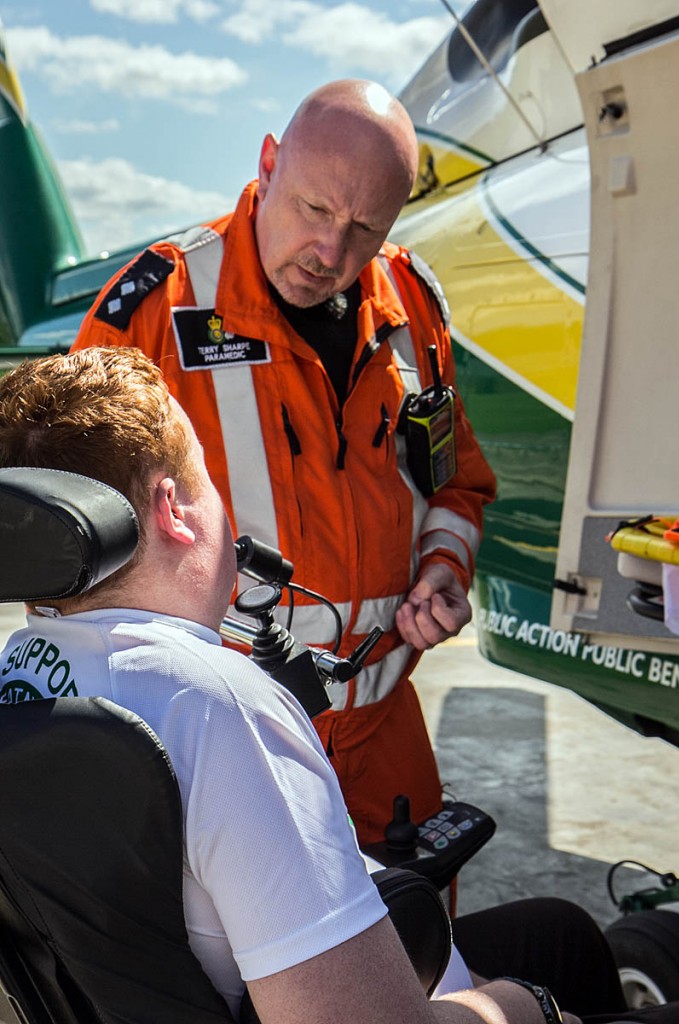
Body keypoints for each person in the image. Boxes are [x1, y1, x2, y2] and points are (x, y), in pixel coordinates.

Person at [0, 346, 573, 1024]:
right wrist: (523, 1005)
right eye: (206, 479)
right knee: (564, 956)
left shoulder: (21, 671)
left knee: (553, 928)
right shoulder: (213, 703)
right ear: (172, 509)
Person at [70, 78, 497, 850]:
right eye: (314, 210)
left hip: (382, 744)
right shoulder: (155, 313)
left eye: (365, 227)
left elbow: (455, 483)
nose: (331, 252)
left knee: (420, 953)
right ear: (268, 165)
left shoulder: (413, 309)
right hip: (219, 747)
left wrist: (442, 570)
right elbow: (71, 549)